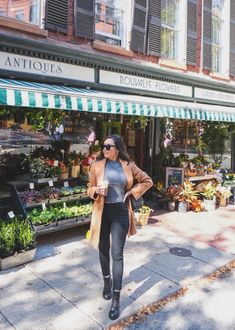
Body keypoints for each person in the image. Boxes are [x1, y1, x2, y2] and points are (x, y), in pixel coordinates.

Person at [87, 134, 153, 320]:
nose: (105, 149)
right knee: (102, 249)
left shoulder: (128, 165)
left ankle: (116, 299)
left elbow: (147, 181)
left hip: (120, 212)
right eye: (103, 146)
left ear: (117, 148)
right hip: (102, 211)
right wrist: (95, 191)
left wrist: (132, 192)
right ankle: (107, 282)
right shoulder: (96, 165)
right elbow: (89, 187)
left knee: (117, 254)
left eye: (109, 146)